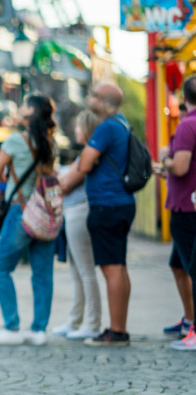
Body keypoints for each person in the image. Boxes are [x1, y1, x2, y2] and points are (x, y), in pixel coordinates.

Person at [0, 94, 58, 346]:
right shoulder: (50, 141)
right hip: (45, 212)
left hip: (22, 210)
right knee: (42, 272)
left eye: (24, 104)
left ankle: (12, 326)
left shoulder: (16, 140)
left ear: (30, 112)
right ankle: (39, 330)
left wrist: (12, 175)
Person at [72, 82, 136, 346]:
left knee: (111, 269)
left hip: (107, 204)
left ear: (106, 103)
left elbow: (86, 163)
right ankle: (119, 328)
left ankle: (116, 331)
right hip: (120, 202)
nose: (90, 98)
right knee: (118, 267)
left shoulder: (107, 126)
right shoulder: (122, 124)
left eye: (94, 95)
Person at [54, 110, 103, 340]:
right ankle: (76, 320)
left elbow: (65, 183)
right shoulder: (84, 153)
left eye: (79, 127)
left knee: (85, 270)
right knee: (77, 270)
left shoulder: (87, 154)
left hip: (79, 212)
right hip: (74, 212)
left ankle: (91, 323)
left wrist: (59, 178)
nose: (76, 131)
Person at [155, 75, 196, 351]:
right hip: (189, 202)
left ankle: (194, 329)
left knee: (193, 269)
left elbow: (180, 167)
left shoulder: (187, 126)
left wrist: (165, 157)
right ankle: (189, 320)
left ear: (183, 98)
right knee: (178, 265)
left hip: (187, 207)